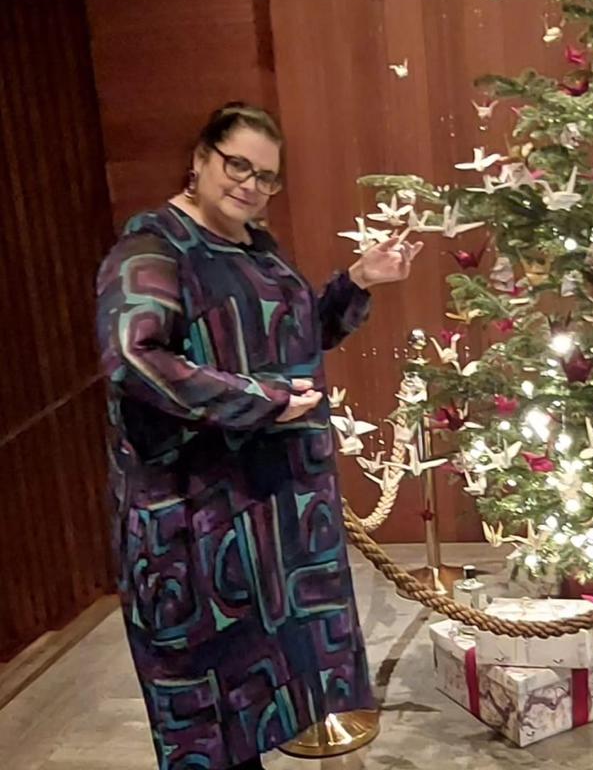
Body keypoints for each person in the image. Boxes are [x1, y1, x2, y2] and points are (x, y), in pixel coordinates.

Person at [95, 102, 422, 770]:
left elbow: (294, 339)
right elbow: (133, 358)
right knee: (211, 720)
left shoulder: (256, 248)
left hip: (271, 519)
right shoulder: (154, 247)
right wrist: (262, 402)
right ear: (200, 158)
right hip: (199, 522)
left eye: (266, 176)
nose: (250, 184)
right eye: (237, 165)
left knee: (262, 703)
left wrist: (359, 281)